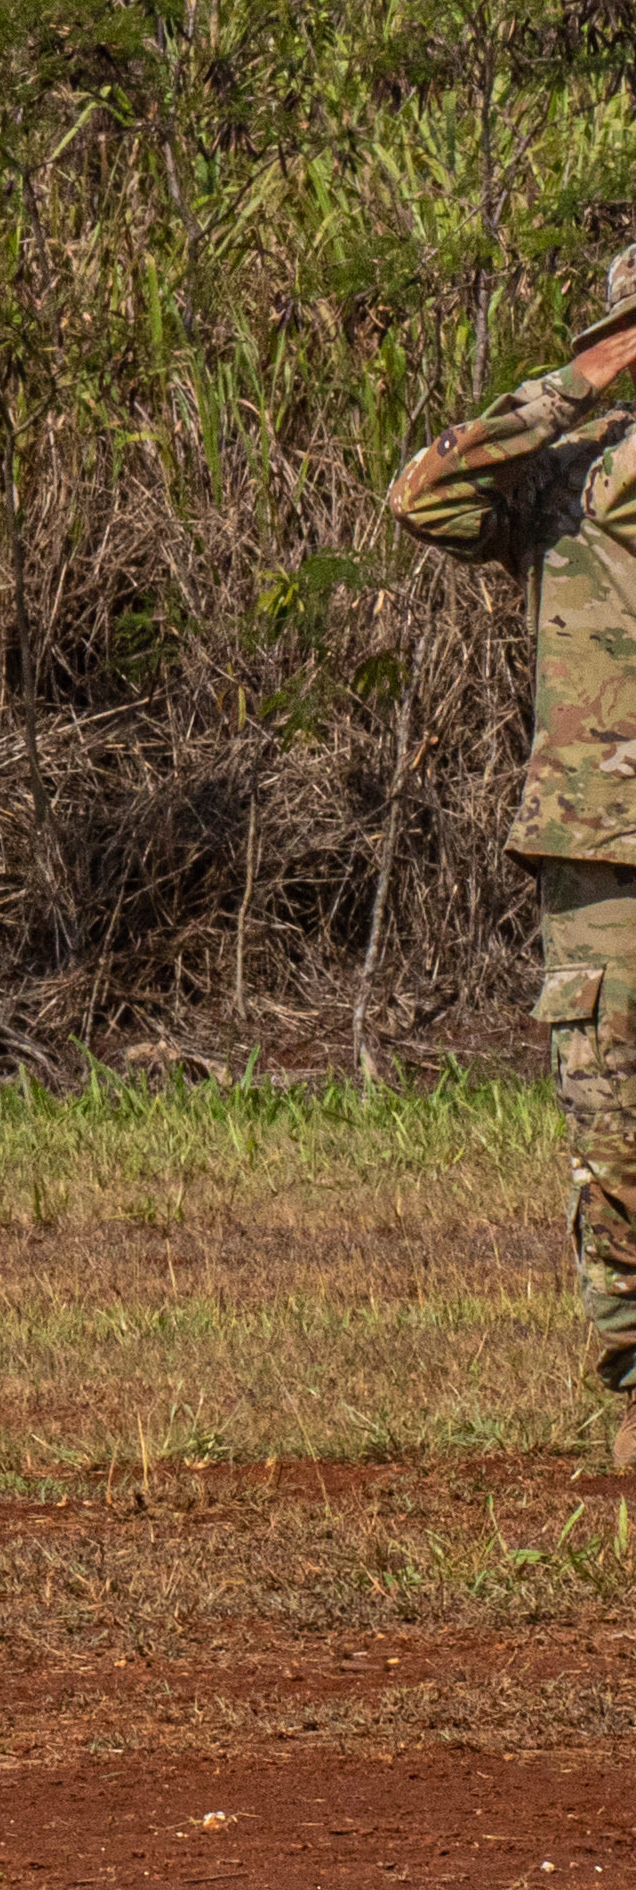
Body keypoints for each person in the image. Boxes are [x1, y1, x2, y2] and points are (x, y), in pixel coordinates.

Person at [386, 231, 636, 1470]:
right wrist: (579, 382)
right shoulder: (559, 474)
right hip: (603, 846)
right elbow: (422, 496)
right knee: (615, 1122)